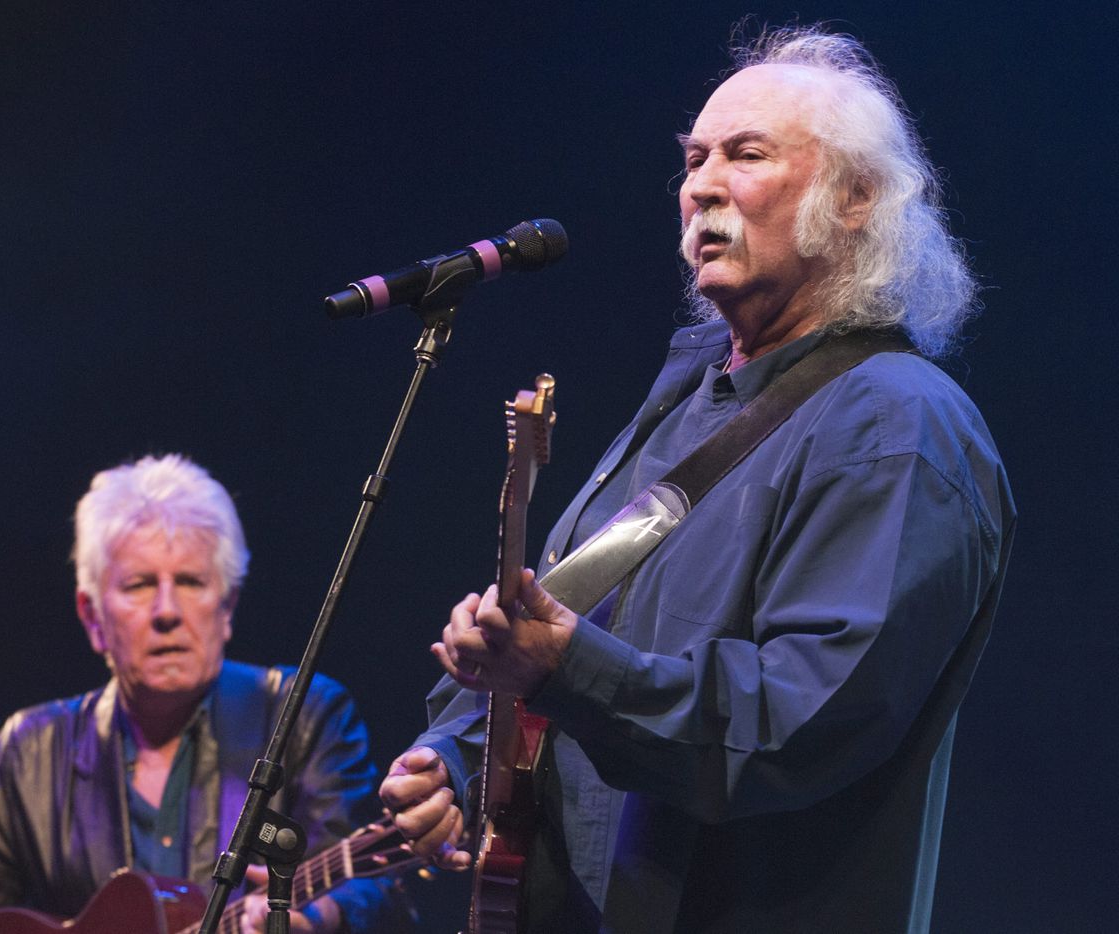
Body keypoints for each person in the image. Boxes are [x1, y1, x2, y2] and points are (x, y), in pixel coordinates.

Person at [380, 25, 1016, 934]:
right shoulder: (690, 397)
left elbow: (798, 723)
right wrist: (457, 751)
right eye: (693, 159)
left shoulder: (897, 425)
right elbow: (559, 623)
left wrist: (567, 666)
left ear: (856, 199)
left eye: (745, 155)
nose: (700, 186)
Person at [0, 454, 408, 933]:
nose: (167, 612)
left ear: (228, 609)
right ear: (92, 617)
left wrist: (321, 917)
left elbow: (377, 894)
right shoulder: (32, 751)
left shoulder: (303, 716)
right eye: (139, 585)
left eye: (192, 582)